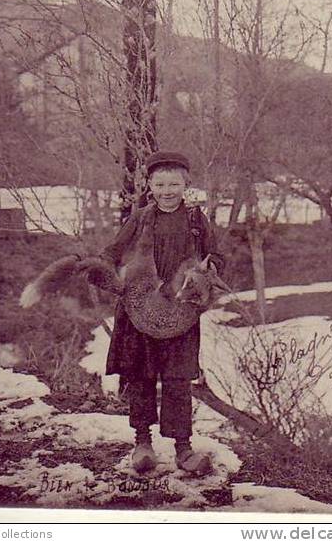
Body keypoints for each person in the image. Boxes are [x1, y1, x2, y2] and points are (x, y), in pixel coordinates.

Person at [88, 151, 225, 476]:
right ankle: (142, 443)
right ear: (149, 184)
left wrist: (208, 270)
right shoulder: (140, 218)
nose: (167, 190)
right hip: (139, 312)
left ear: (185, 184)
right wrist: (102, 267)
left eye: (174, 183)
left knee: (178, 380)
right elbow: (113, 251)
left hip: (180, 312)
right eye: (160, 183)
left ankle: (183, 448)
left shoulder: (195, 220)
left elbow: (216, 255)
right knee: (141, 377)